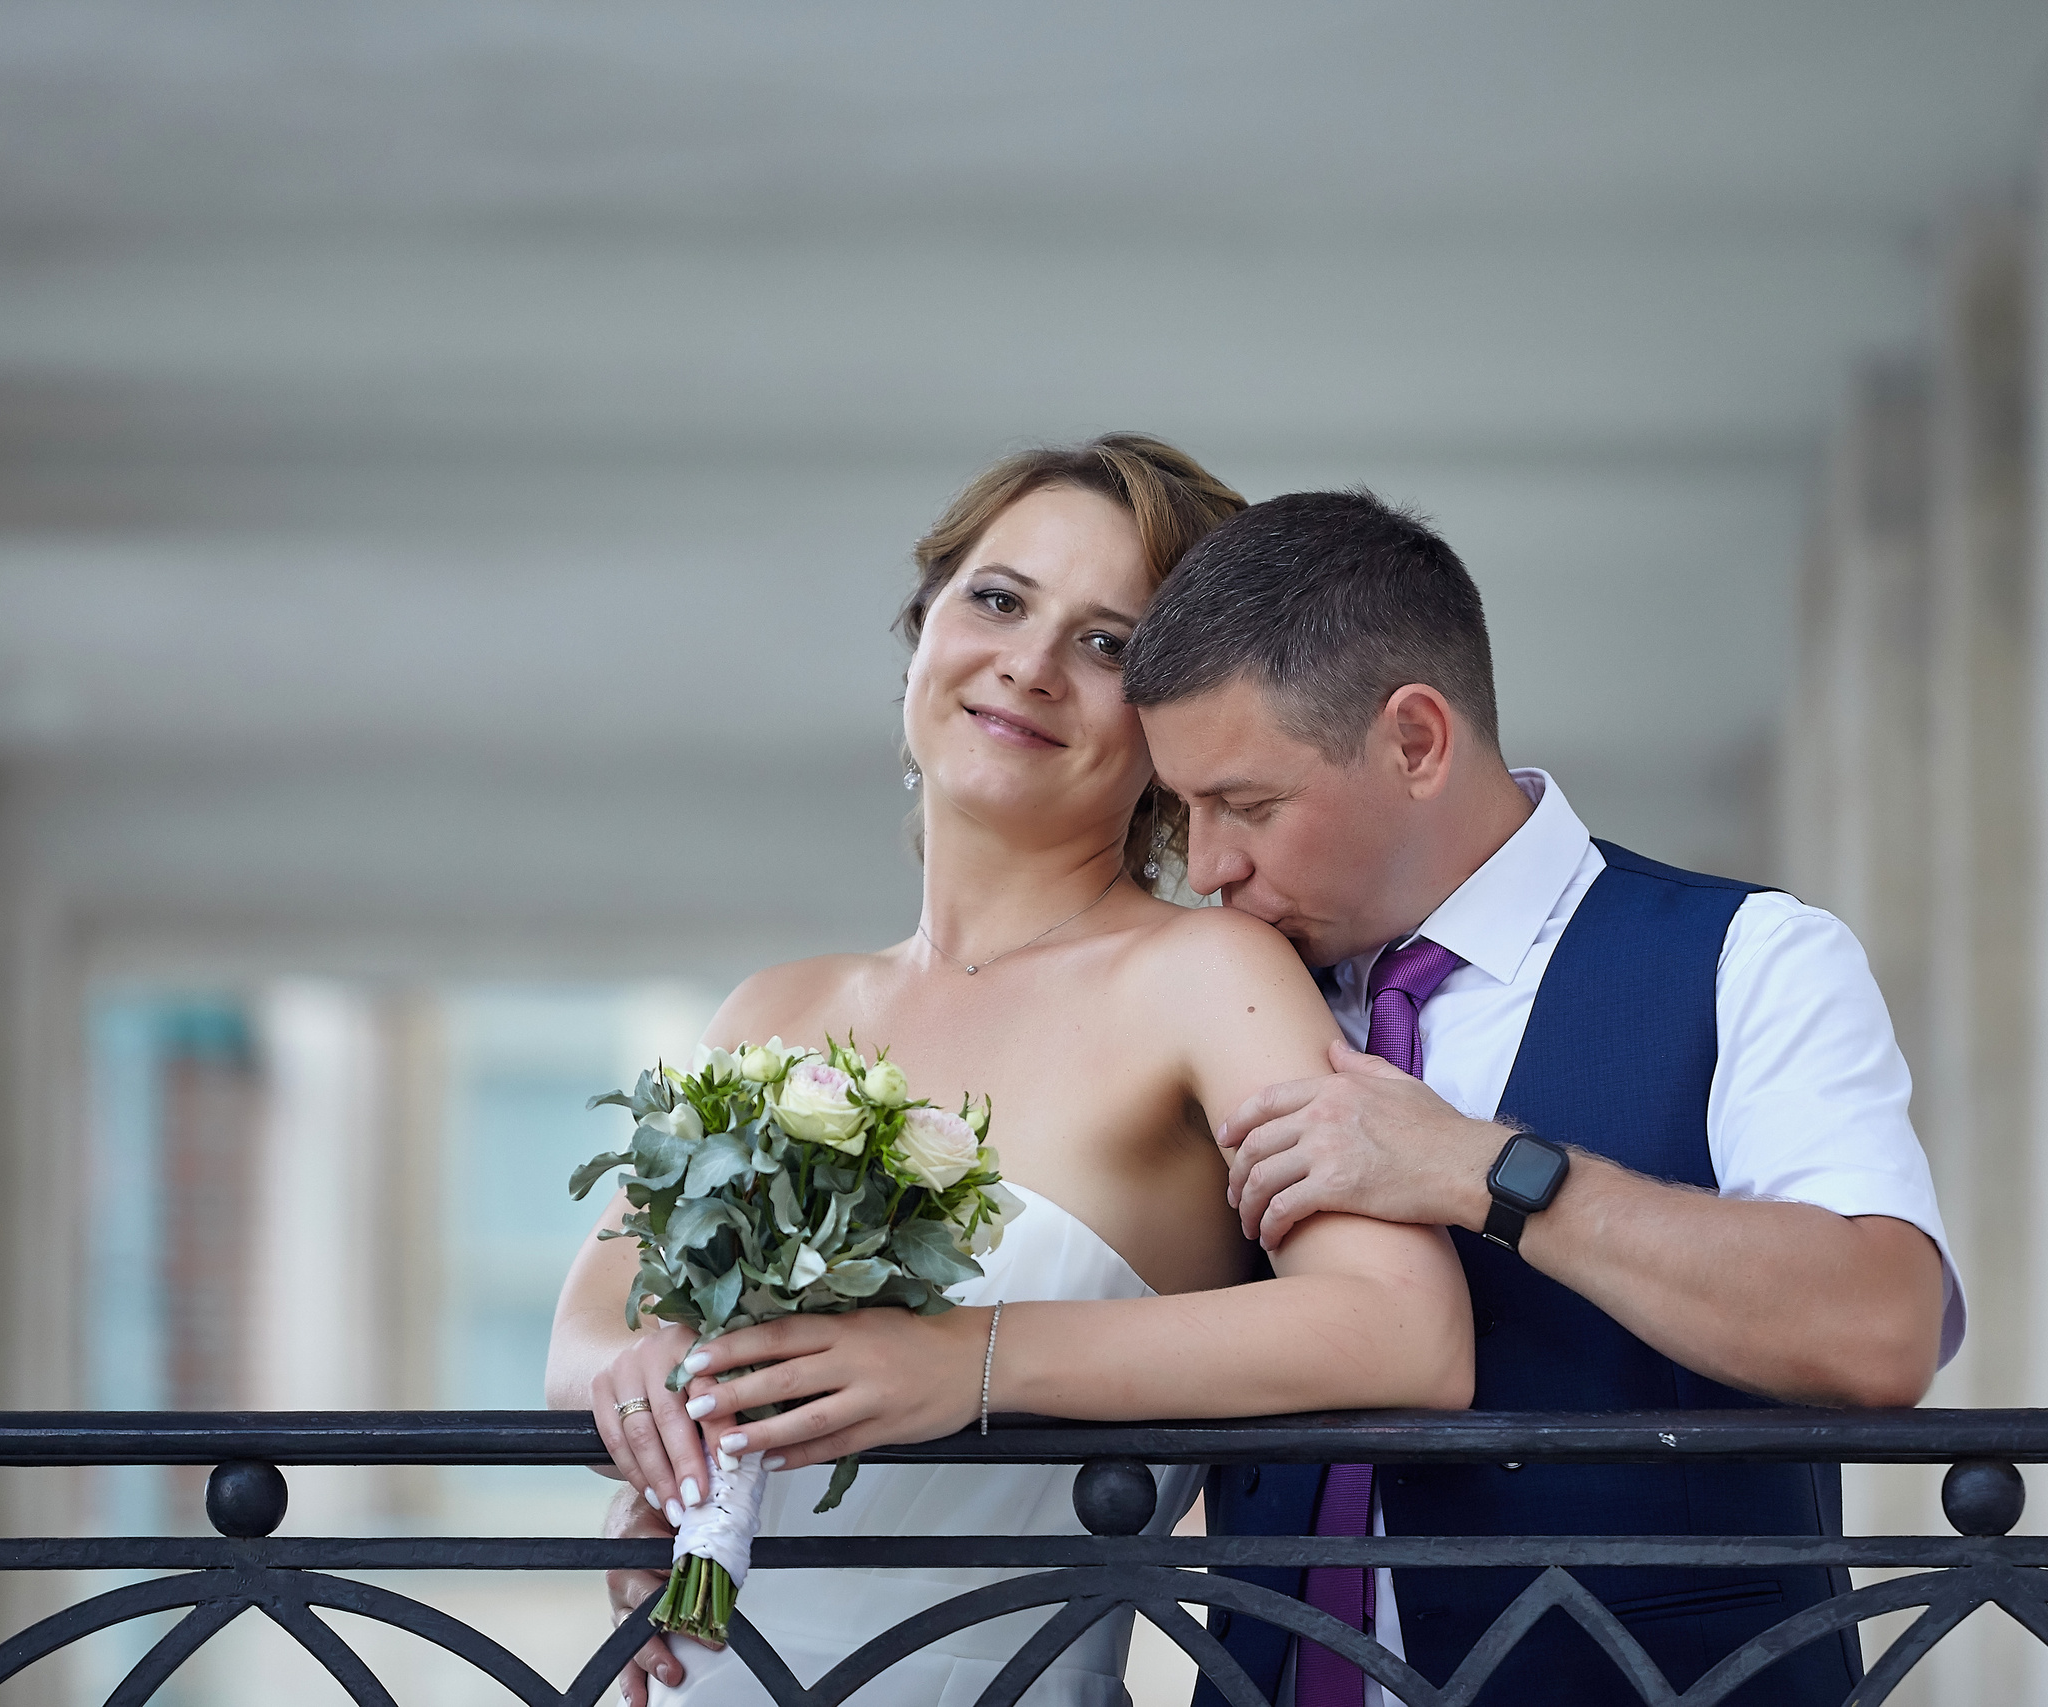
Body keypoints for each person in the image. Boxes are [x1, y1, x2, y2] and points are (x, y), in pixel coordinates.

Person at [544, 440, 1474, 1707]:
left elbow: (1406, 1331)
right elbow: (587, 1333)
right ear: (922, 632)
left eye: (1106, 645)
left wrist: (975, 1360)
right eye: (997, 600)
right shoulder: (776, 1007)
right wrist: (659, 1420)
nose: (1030, 665)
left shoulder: (1209, 975)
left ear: (1171, 721)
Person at [1122, 490, 1960, 1707]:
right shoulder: (1226, 1008)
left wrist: (1486, 1171)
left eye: (1248, 806)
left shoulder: (1750, 958)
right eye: (1183, 811)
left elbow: (1878, 1327)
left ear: (1416, 740)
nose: (1208, 867)